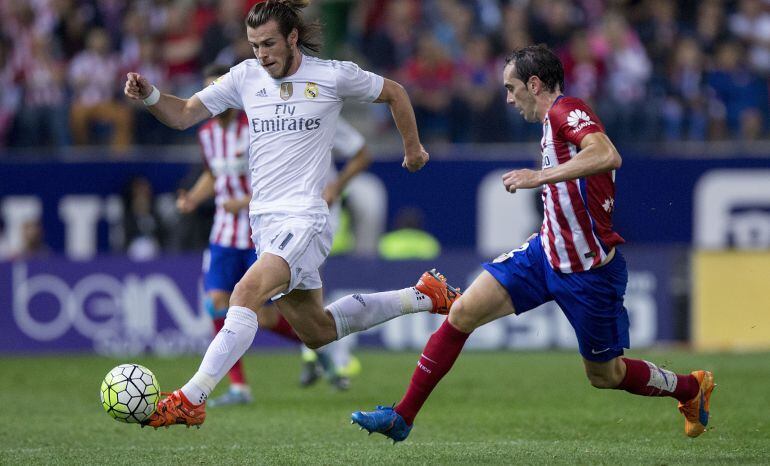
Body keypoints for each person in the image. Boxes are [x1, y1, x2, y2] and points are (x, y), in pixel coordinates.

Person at [351, 44, 715, 442]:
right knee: (462, 314)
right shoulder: (549, 124)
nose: (508, 98)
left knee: (605, 375)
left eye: (512, 88)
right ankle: (402, 417)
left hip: (588, 273)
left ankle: (690, 388)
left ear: (534, 83)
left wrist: (538, 176)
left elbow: (608, 154)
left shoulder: (565, 110)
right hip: (543, 254)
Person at [124, 0, 458, 429]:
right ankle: (423, 295)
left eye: (268, 44)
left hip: (305, 218)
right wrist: (150, 94)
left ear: (293, 38)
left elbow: (395, 91)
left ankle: (191, 397)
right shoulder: (245, 77)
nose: (261, 54)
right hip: (264, 222)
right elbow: (184, 113)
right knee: (316, 331)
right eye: (254, 45)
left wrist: (413, 148)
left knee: (243, 294)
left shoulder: (332, 74)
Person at [179, 63, 370, 405]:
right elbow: (214, 173)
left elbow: (280, 179)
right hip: (223, 233)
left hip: (261, 231)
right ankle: (238, 387)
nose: (215, 101)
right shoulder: (206, 134)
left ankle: (316, 346)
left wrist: (246, 200)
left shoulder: (258, 123)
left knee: (265, 315)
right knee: (217, 304)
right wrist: (194, 197)